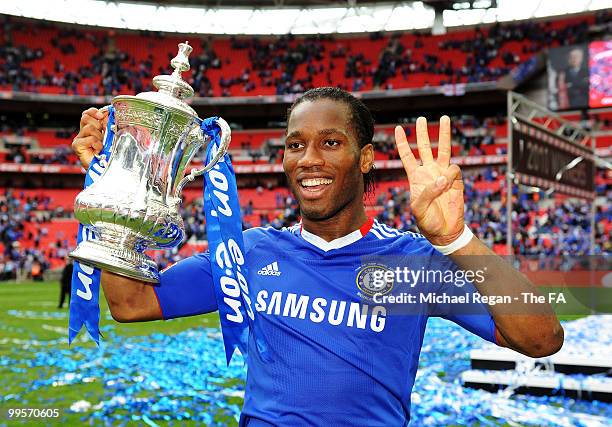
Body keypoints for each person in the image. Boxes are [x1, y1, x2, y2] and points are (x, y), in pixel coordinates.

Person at [72, 87, 563, 426]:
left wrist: (456, 238)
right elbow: (130, 303)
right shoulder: (248, 252)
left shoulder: (414, 262)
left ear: (365, 157)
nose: (309, 159)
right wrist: (120, 179)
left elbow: (541, 338)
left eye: (331, 143)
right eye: (296, 145)